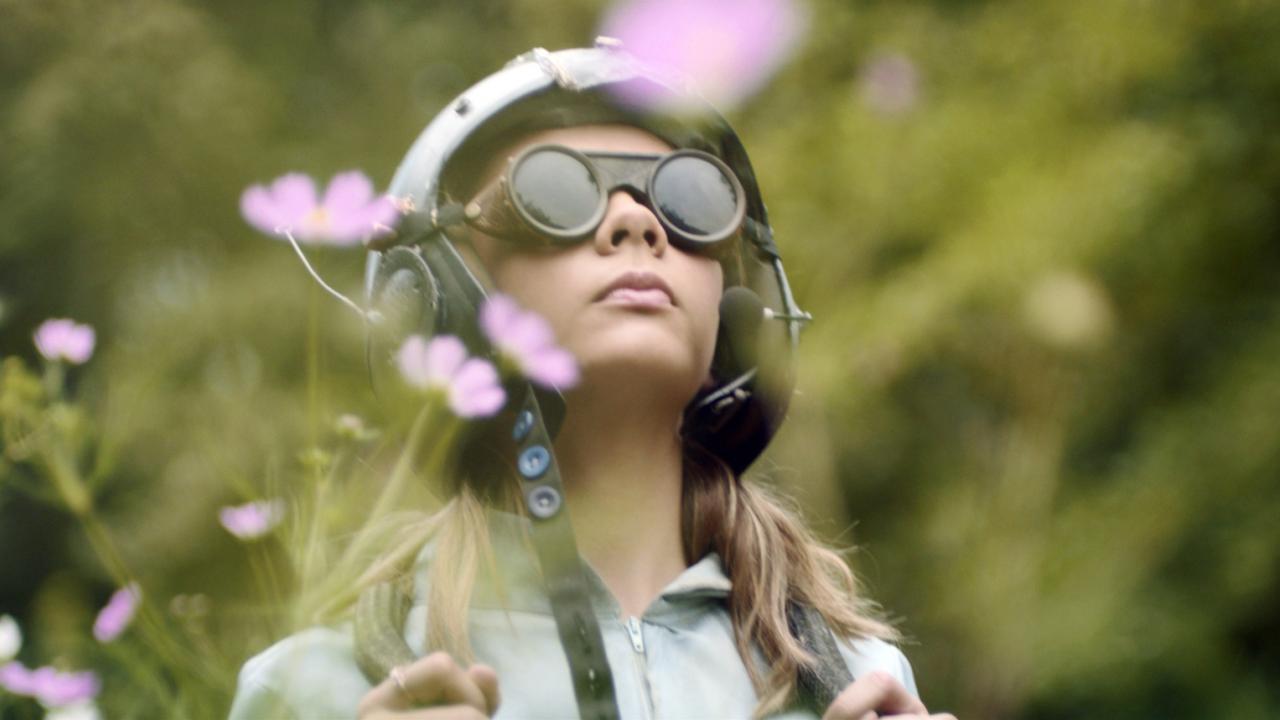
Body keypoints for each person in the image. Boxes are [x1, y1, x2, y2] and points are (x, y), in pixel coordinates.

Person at [228, 44, 954, 720]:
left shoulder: (859, 681)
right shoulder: (318, 689)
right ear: (443, 296)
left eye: (690, 200)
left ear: (732, 313)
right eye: (553, 193)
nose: (638, 221)